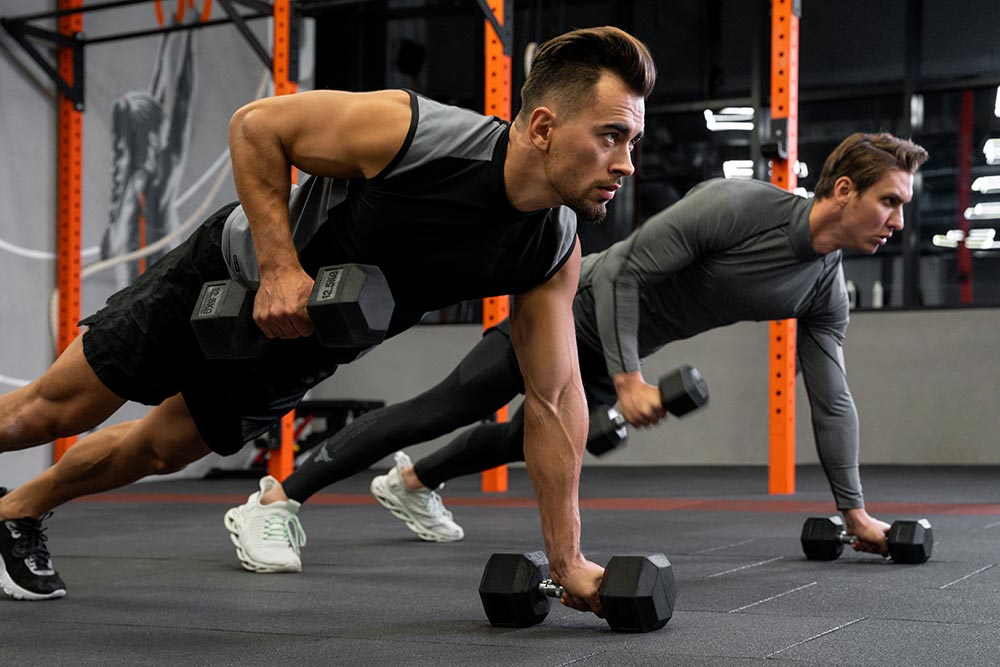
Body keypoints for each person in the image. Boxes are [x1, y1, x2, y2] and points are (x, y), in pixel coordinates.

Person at [0, 26, 656, 612]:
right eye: (611, 136)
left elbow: (554, 396)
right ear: (543, 128)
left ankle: (17, 510)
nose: (626, 162)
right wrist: (280, 267)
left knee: (161, 448)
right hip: (229, 273)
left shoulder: (550, 248)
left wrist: (568, 559)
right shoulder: (417, 133)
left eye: (632, 140)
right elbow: (258, 126)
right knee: (46, 413)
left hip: (311, 340)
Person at [224, 132, 928, 569]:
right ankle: (276, 496)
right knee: (451, 402)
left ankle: (410, 483)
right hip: (566, 304)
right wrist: (628, 378)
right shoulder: (738, 205)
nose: (899, 220)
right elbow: (622, 269)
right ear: (844, 190)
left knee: (529, 437)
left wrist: (854, 509)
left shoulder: (824, 291)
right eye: (891, 202)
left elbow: (831, 397)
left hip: (616, 347)